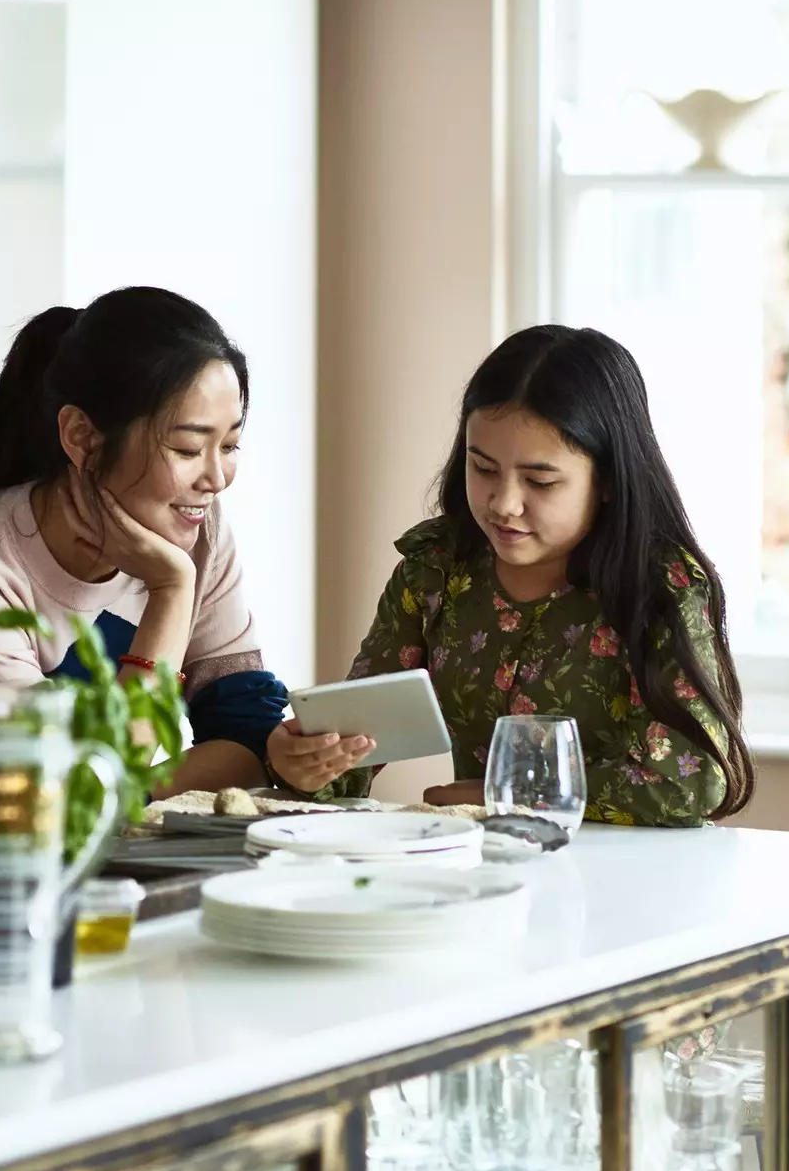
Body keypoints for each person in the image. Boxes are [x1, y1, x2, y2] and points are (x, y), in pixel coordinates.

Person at [267, 325, 754, 825]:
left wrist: (504, 793)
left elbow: (692, 781)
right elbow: (358, 746)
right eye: (482, 469)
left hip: (633, 881)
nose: (503, 504)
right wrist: (306, 764)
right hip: (482, 869)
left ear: (607, 479)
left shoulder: (661, 585)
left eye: (540, 481)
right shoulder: (435, 568)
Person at [0, 287, 288, 794]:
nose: (216, 478)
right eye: (186, 448)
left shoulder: (201, 532)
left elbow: (247, 740)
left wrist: (129, 788)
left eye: (228, 445)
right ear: (83, 437)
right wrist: (172, 591)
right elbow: (66, 793)